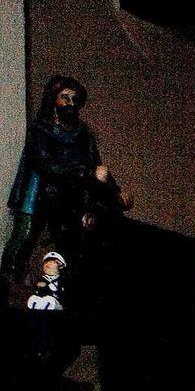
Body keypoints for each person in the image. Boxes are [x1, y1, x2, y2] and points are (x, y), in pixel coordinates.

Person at [4, 75, 127, 285]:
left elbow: (97, 165)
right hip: (40, 192)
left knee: (73, 243)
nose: (70, 103)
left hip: (69, 197)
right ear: (54, 99)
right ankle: (10, 281)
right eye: (65, 97)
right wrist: (86, 173)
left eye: (74, 99)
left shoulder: (83, 135)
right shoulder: (42, 129)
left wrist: (116, 191)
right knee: (25, 236)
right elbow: (46, 163)